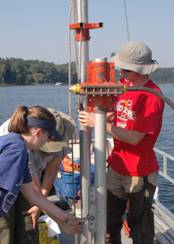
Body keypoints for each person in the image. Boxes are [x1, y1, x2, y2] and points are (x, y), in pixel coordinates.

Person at [79, 41, 164, 244]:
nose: (121, 72)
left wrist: (98, 123)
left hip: (139, 172)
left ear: (138, 70)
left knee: (139, 225)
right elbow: (117, 112)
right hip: (116, 167)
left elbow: (135, 138)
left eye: (125, 68)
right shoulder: (125, 86)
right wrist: (105, 115)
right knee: (107, 221)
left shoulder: (152, 97)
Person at [0, 105, 80, 244]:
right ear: (38, 132)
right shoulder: (16, 149)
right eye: (49, 136)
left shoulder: (19, 148)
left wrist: (64, 219)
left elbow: (33, 194)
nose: (48, 141)